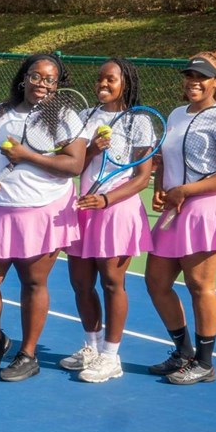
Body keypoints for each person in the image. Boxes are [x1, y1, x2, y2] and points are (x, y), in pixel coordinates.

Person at [0, 53, 86, 382]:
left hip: (41, 209)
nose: (42, 84)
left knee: (33, 282)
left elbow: (74, 164)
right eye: (36, 76)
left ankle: (28, 354)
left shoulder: (65, 117)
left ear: (58, 85)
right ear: (24, 77)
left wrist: (26, 155)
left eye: (49, 79)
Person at [145, 52, 216, 385]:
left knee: (199, 285)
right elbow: (164, 158)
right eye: (190, 75)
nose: (194, 81)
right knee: (156, 282)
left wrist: (186, 190)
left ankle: (204, 363)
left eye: (203, 76)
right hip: (176, 209)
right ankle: (183, 352)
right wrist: (161, 186)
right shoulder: (176, 114)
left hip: (206, 209)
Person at [61, 58, 154, 383]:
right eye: (100, 78)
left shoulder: (138, 121)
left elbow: (142, 177)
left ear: (125, 82)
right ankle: (91, 345)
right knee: (80, 283)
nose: (102, 83)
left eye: (110, 79)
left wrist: (105, 200)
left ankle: (111, 356)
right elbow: (72, 164)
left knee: (112, 282)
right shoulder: (85, 117)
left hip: (116, 209)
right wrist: (91, 150)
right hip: (84, 208)